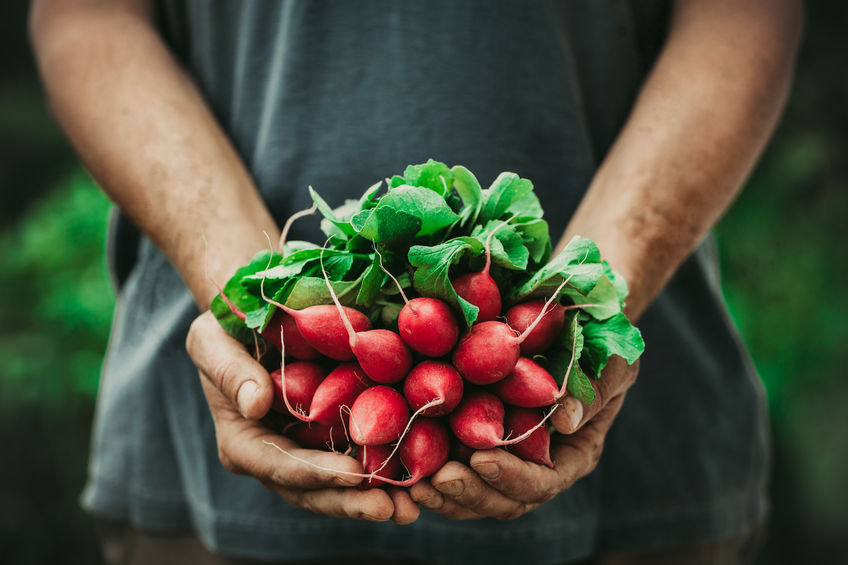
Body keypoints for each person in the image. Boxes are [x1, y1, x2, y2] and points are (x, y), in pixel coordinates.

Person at [30, 0, 802, 563]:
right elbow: (86, 16)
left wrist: (591, 299)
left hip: (646, 475)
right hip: (199, 473)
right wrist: (250, 294)